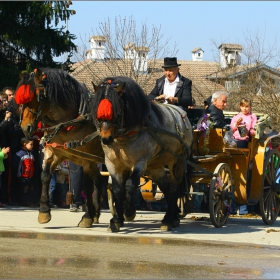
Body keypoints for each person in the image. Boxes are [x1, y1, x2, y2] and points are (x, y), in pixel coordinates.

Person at [12, 137, 37, 207]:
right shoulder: (20, 154)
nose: (32, 146)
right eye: (31, 144)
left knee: (30, 189)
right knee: (23, 190)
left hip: (30, 176)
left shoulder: (31, 154)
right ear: (25, 144)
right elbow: (14, 164)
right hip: (22, 176)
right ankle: (24, 202)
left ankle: (29, 201)